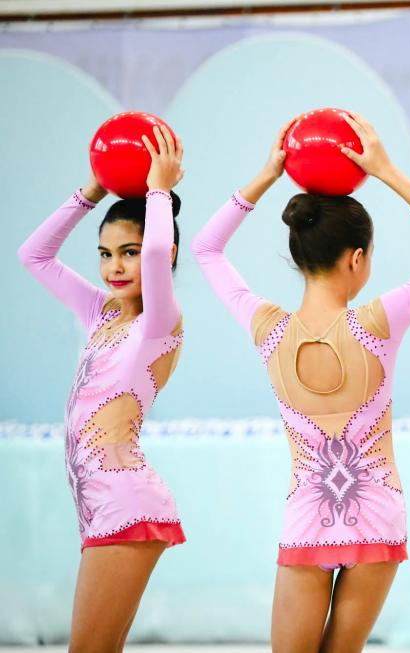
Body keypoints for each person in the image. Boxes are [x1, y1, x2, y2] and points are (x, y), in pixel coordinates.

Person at [191, 114, 410, 653]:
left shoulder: (268, 327)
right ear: (358, 258)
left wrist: (267, 175)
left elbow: (206, 248)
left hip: (308, 516)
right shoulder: (381, 320)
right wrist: (387, 171)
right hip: (377, 513)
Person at [17, 126, 187, 652]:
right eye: (105, 253)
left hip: (125, 502)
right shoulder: (101, 313)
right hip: (101, 507)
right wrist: (91, 190)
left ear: (162, 252)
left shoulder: (160, 322)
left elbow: (157, 256)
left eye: (128, 252)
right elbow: (34, 255)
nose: (115, 266)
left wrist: (158, 190)